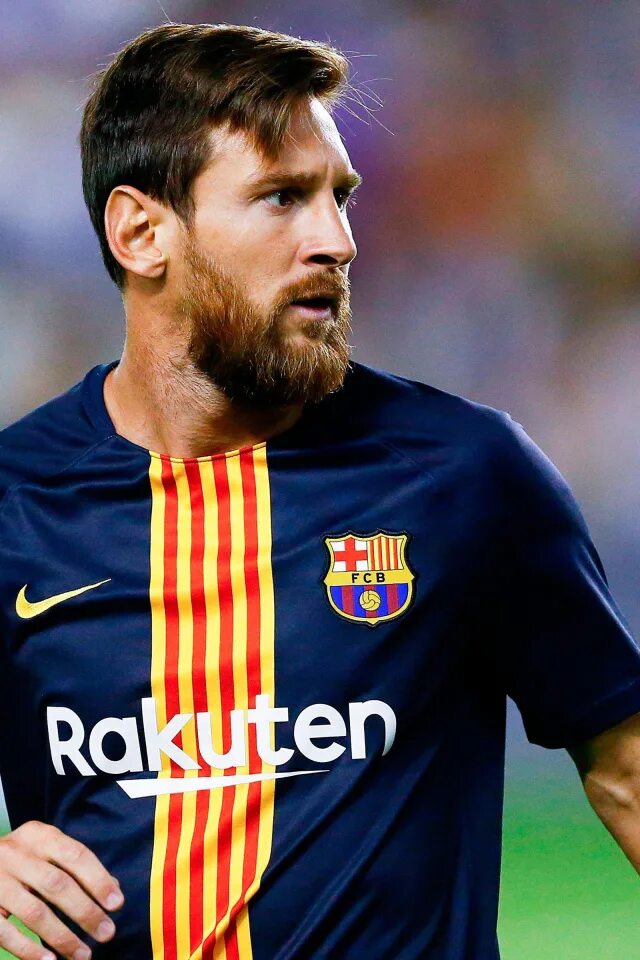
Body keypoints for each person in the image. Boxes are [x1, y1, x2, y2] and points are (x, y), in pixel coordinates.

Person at [0, 21, 639, 960]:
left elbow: (626, 772)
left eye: (339, 196)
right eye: (281, 198)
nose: (336, 241)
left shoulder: (461, 473)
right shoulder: (16, 503)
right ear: (141, 233)